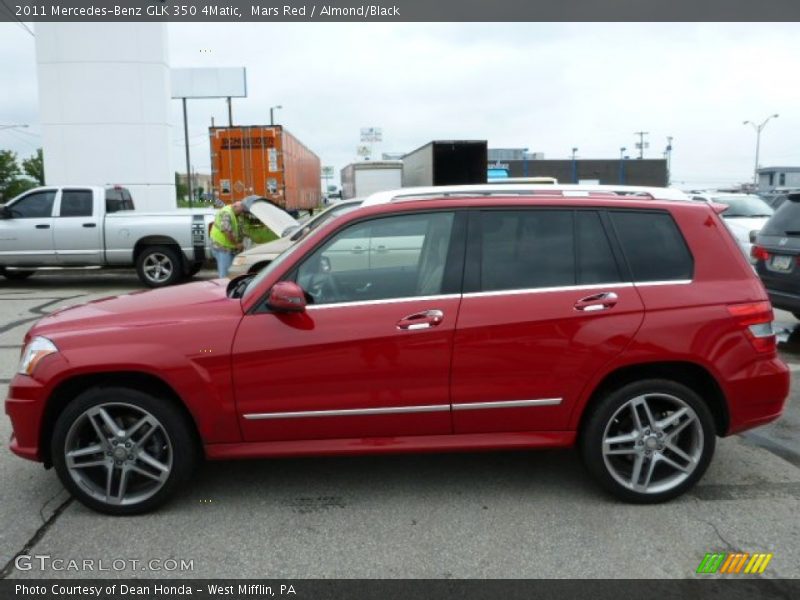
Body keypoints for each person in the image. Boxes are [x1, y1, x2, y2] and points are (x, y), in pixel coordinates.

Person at [210, 200, 248, 278]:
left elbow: (237, 228)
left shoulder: (234, 212)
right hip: (222, 247)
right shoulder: (227, 213)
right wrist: (236, 244)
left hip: (228, 247)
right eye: (240, 211)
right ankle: (223, 289)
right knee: (225, 274)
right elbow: (227, 231)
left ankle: (229, 287)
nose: (241, 213)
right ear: (235, 207)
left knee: (231, 271)